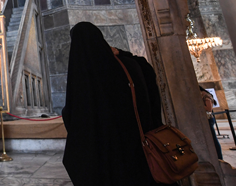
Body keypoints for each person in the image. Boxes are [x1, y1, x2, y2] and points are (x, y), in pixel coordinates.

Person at [63, 22, 165, 186]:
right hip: (142, 147)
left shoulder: (87, 76)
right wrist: (122, 53)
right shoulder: (129, 64)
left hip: (111, 154)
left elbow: (76, 116)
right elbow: (147, 71)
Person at [200, 86, 223, 160]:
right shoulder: (202, 95)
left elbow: (209, 109)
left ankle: (219, 157)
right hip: (204, 119)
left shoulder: (206, 95)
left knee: (213, 139)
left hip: (208, 119)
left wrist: (197, 104)